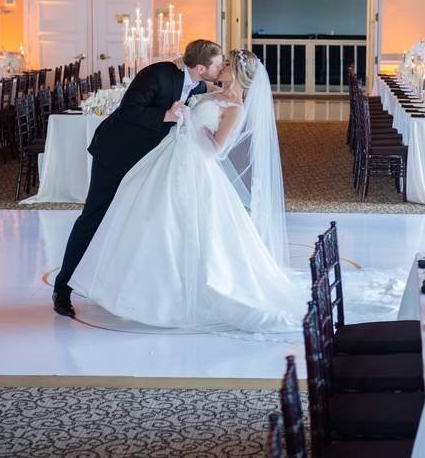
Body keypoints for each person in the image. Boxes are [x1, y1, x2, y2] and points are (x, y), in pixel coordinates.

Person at [68, 49, 303, 332]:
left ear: (238, 73)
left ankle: (174, 296)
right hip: (168, 157)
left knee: (179, 226)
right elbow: (193, 80)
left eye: (226, 65)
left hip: (194, 167)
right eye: (220, 63)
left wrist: (193, 125)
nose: (222, 69)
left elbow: (217, 149)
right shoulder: (210, 90)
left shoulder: (235, 108)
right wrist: (184, 66)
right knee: (150, 219)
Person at [52, 40, 224, 318]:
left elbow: (206, 90)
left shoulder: (197, 83)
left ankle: (109, 286)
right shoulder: (157, 74)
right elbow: (128, 109)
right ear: (202, 67)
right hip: (116, 156)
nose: (222, 67)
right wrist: (165, 115)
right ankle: (62, 288)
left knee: (132, 222)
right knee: (93, 218)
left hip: (149, 162)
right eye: (219, 64)